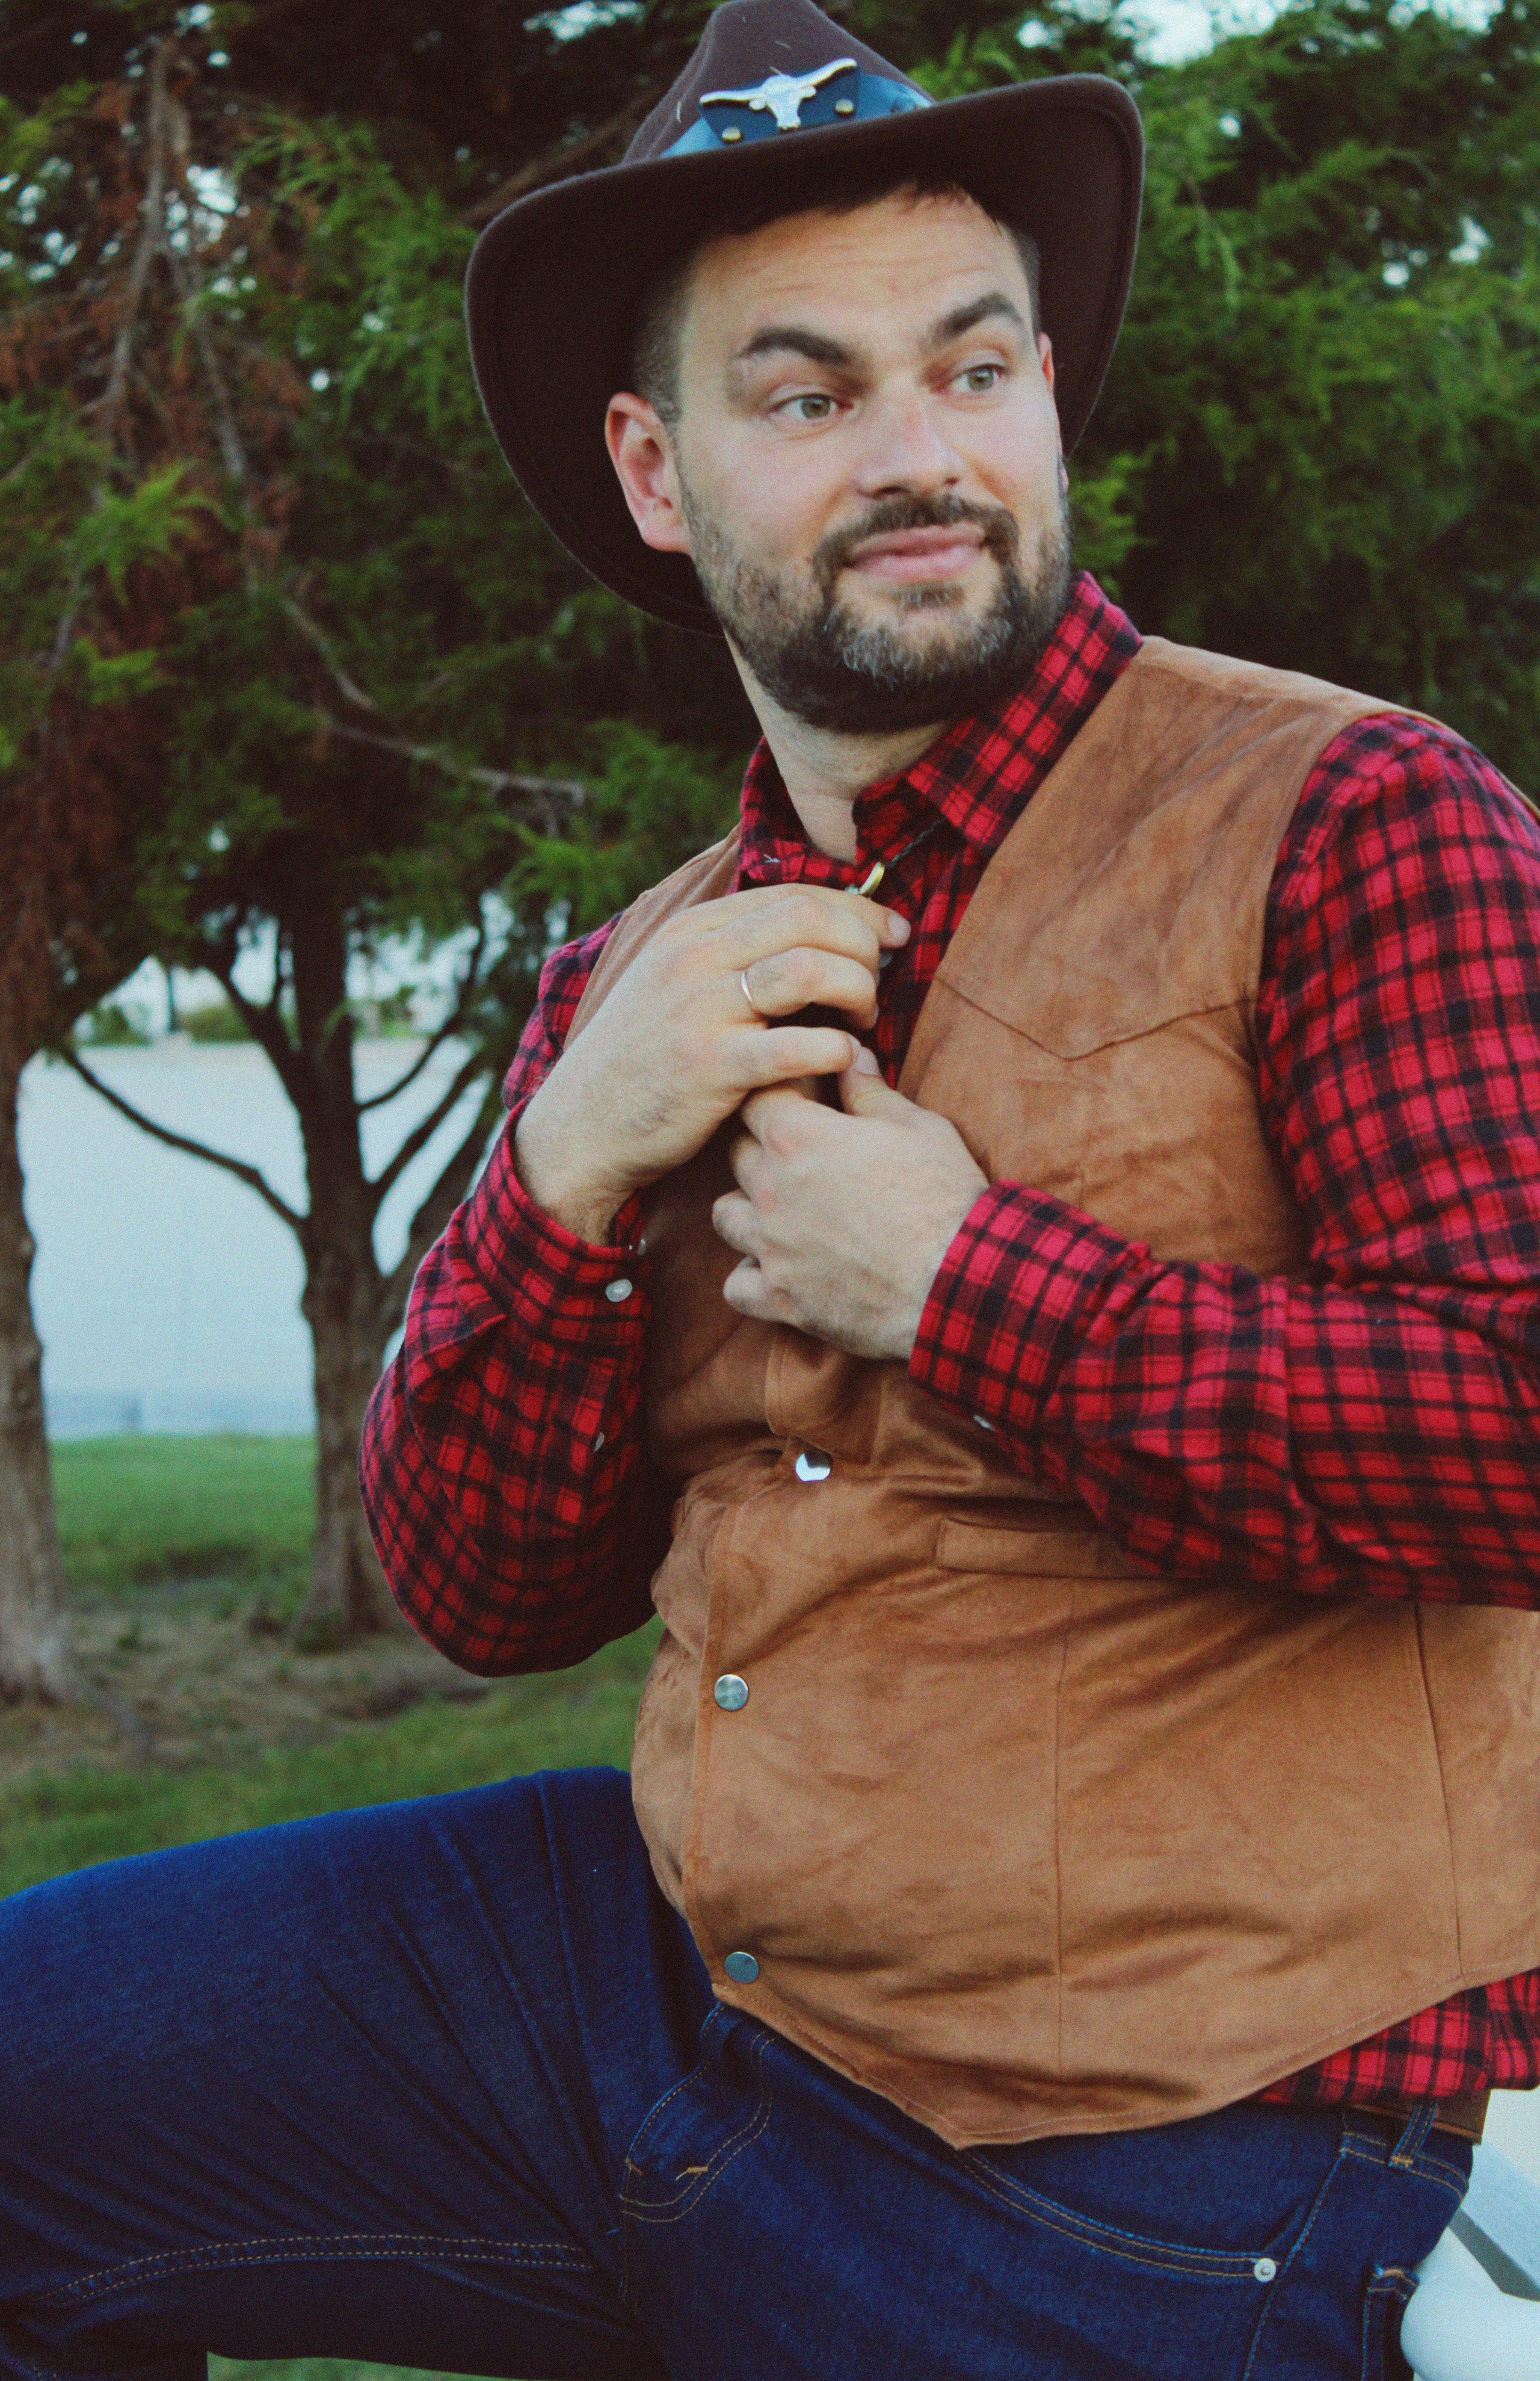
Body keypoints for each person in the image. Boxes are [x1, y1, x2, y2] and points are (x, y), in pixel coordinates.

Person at [3, 4, 1538, 2376]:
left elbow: (1511, 1423)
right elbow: (488, 1594)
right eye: (808, 395)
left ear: (1046, 394)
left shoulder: (1354, 820)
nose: (917, 457)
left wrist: (964, 1283)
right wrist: (561, 1169)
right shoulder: (640, 969)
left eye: (972, 367)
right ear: (656, 465)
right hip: (679, 1999)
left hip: (1169, 2138)